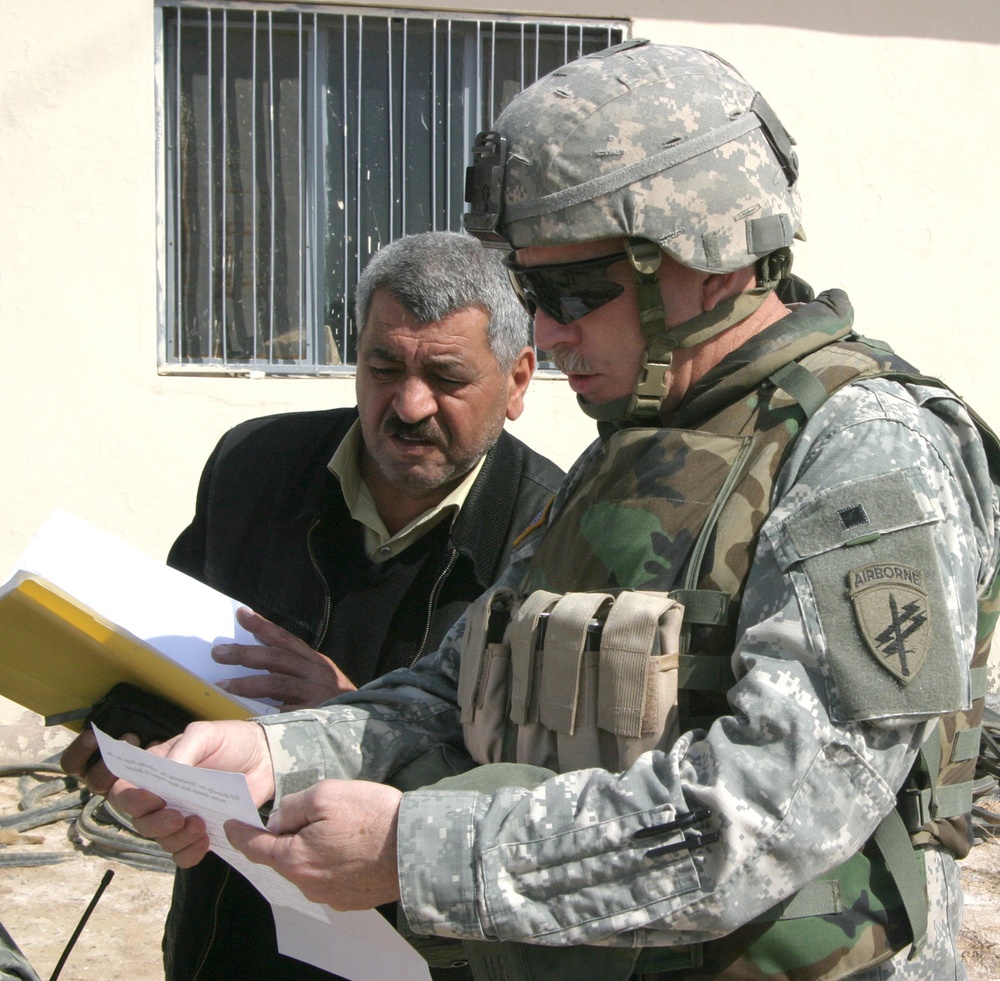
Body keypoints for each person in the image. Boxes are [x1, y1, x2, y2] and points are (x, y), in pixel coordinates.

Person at [110, 41, 1000, 981]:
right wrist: (268, 754)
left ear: (708, 259)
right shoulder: (629, 449)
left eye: (576, 290)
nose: (544, 332)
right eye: (532, 291)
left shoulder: (865, 448)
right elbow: (453, 691)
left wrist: (414, 850)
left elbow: (776, 806)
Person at [62, 230, 564, 980]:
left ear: (518, 380)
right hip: (225, 934)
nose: (409, 403)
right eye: (383, 366)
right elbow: (162, 665)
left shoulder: (555, 535)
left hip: (416, 953)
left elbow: (548, 799)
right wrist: (129, 750)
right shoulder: (252, 469)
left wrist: (355, 718)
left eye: (447, 376)